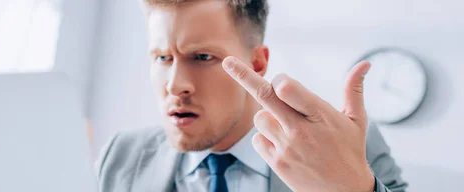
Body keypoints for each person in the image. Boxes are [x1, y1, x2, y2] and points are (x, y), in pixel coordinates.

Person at [95, 0, 408, 191]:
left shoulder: (347, 148)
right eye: (163, 58)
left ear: (257, 63)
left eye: (202, 57)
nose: (175, 85)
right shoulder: (120, 155)